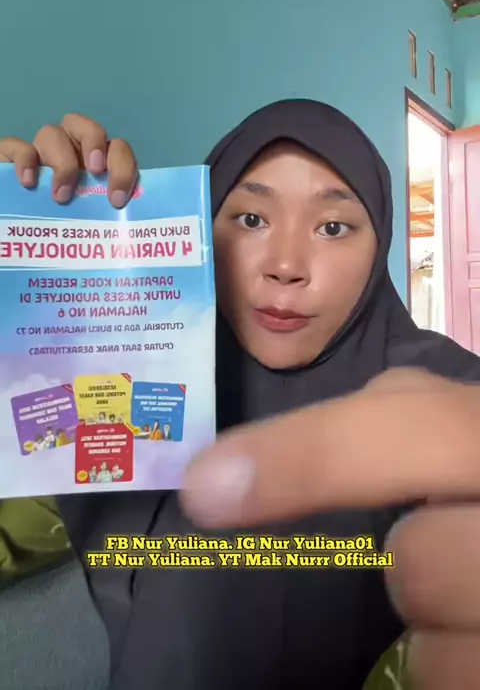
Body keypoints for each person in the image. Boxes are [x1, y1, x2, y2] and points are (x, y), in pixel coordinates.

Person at [1, 104, 480, 689]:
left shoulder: (436, 390)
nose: (285, 266)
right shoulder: (127, 378)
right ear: (204, 229)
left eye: (333, 228)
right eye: (251, 219)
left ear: (379, 244)